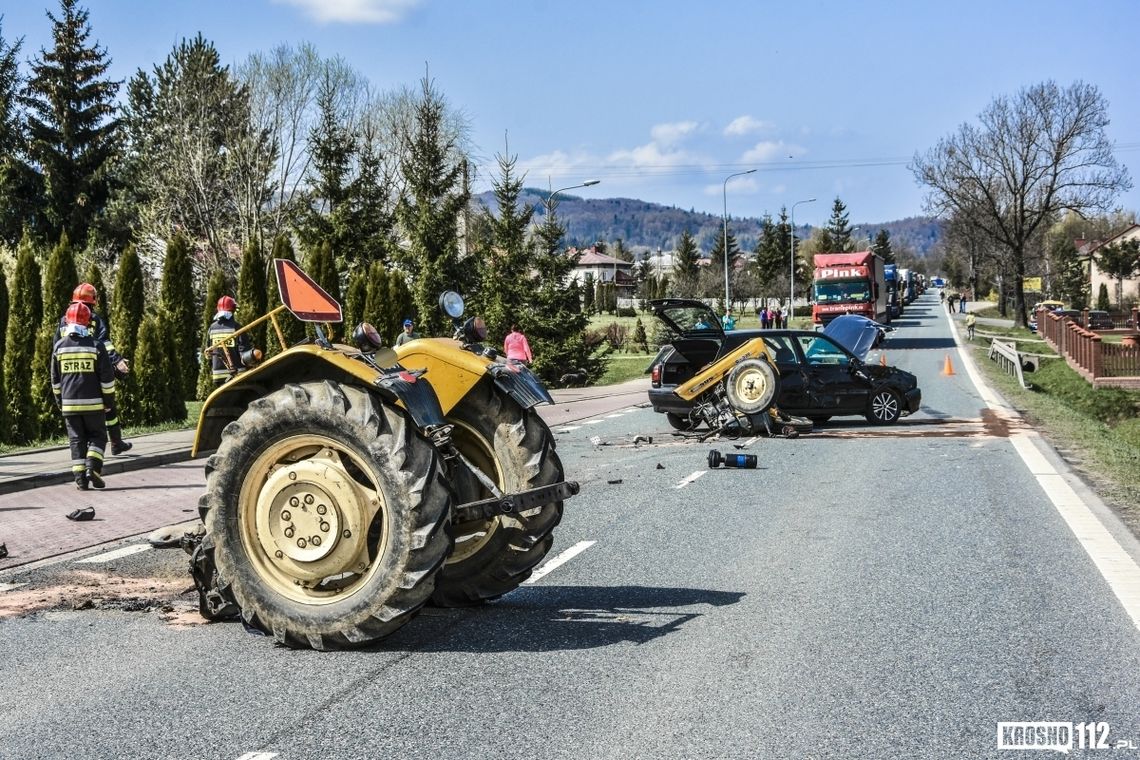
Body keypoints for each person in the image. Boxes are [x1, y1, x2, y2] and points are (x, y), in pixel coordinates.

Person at [59, 283, 132, 455]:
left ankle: (95, 448)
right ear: (92, 301)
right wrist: (117, 361)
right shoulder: (93, 319)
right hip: (92, 368)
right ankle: (114, 442)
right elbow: (104, 344)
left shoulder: (64, 321)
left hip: (69, 373)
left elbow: (57, 345)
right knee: (108, 406)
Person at [51, 302, 115, 490]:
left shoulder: (59, 347)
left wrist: (60, 403)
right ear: (88, 323)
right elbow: (107, 379)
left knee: (76, 440)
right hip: (94, 405)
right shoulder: (96, 346)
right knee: (98, 436)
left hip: (69, 405)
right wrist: (108, 401)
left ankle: (80, 479)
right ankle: (92, 467)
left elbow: (55, 381)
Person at [205, 295, 254, 386]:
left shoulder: (212, 328)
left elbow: (208, 352)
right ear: (233, 310)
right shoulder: (237, 327)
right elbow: (244, 352)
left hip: (218, 376)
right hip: (237, 374)